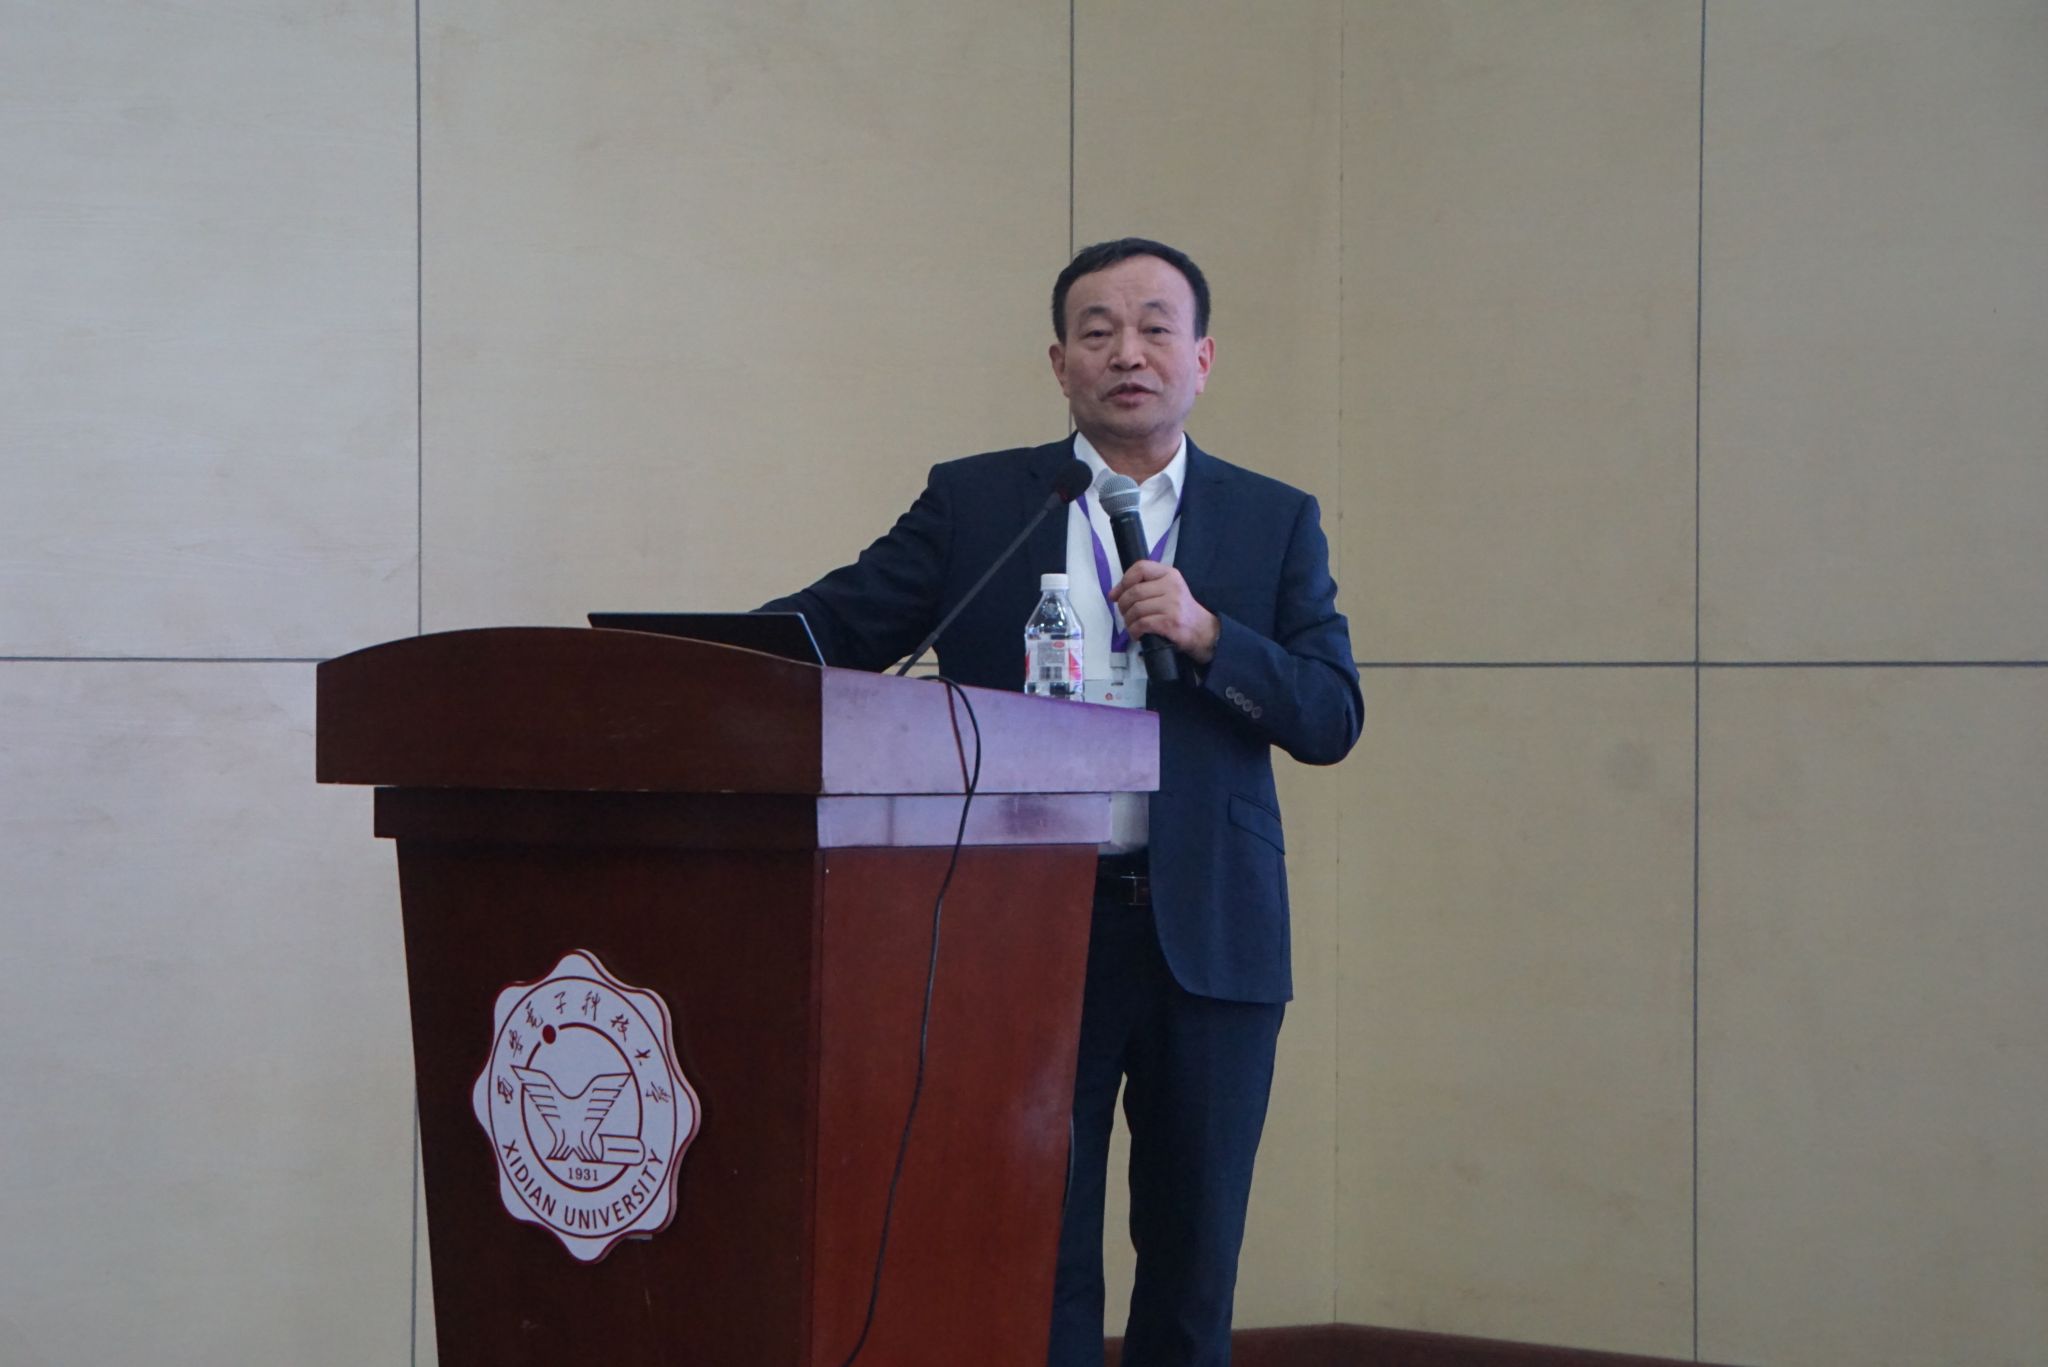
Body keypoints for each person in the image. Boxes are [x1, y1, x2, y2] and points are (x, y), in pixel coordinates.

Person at [765, 238, 1362, 1366]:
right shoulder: (980, 500)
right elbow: (834, 626)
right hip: (1020, 928)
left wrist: (1208, 633)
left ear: (1201, 358)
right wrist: (692, 658)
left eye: (1153, 328)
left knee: (1192, 1261)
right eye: (1097, 331)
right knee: (1033, 1254)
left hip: (1210, 936)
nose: (1126, 352)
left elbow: (1331, 714)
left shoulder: (1272, 518)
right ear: (1058, 363)